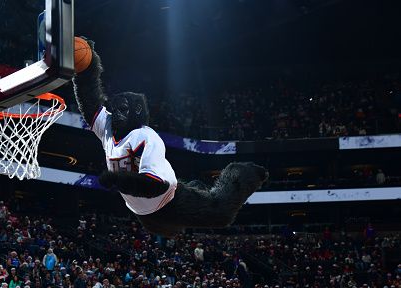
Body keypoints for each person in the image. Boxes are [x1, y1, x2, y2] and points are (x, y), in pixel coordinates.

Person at [72, 39, 267, 236]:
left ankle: (241, 172)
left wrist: (118, 180)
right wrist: (87, 67)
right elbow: (90, 103)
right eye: (114, 110)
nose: (116, 114)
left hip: (169, 201)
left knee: (221, 215)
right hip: (141, 210)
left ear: (137, 111)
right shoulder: (108, 127)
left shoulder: (146, 137)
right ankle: (194, 189)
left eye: (123, 109)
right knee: (170, 232)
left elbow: (155, 186)